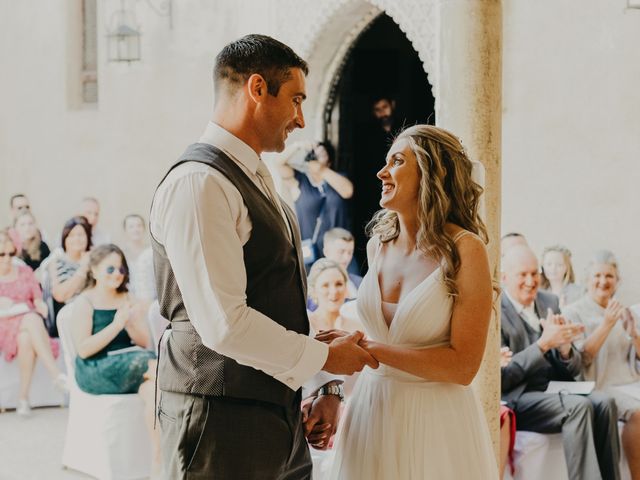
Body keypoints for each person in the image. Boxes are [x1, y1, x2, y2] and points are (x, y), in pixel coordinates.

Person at [149, 34, 377, 479]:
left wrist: (321, 384)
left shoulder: (255, 175)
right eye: (294, 100)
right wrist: (325, 359)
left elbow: (276, 297)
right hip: (217, 419)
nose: (300, 119)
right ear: (257, 89)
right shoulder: (200, 183)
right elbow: (224, 324)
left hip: (277, 415)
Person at [319, 124, 498, 478]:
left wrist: (367, 348)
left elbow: (463, 367)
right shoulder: (378, 244)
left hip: (434, 419)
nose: (381, 172)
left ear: (434, 173)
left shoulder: (465, 250)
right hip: (371, 410)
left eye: (397, 161)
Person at [501, 245, 620, 480]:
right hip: (520, 396)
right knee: (578, 407)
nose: (530, 281)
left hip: (556, 389)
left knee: (606, 403)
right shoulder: (496, 311)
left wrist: (565, 349)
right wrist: (543, 344)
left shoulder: (549, 301)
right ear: (505, 278)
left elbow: (573, 368)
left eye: (535, 273)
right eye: (522, 275)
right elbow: (503, 378)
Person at [69, 244, 159, 469]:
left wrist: (129, 324)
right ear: (94, 270)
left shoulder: (127, 296)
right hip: (96, 367)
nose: (117, 275)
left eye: (121, 269)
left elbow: (143, 342)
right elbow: (84, 349)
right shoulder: (85, 301)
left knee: (154, 391)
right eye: (110, 269)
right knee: (156, 366)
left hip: (130, 362)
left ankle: (157, 463)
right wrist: (116, 324)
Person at [563, 250, 640, 478]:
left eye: (609, 276)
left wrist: (635, 336)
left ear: (617, 281)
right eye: (597, 276)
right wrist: (606, 324)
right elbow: (581, 358)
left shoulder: (625, 312)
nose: (603, 281)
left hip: (630, 383)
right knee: (639, 415)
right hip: (599, 386)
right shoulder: (572, 311)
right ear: (587, 280)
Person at [0, 230, 66, 416]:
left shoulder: (23, 270)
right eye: (1, 254)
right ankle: (56, 375)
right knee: (31, 319)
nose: (6, 259)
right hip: (4, 324)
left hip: (27, 321)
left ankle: (23, 399)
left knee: (26, 338)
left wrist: (40, 305)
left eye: (11, 253)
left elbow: (36, 298)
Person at [275, 140, 353, 266]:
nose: (316, 156)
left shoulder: (338, 178)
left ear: (330, 161)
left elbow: (348, 191)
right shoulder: (300, 182)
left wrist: (321, 170)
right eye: (314, 153)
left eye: (322, 154)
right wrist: (298, 145)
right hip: (312, 254)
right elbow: (279, 163)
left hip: (340, 254)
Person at [351, 94, 403, 270]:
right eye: (377, 110)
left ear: (392, 105)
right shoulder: (369, 135)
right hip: (375, 191)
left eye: (384, 108)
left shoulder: (403, 130)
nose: (382, 113)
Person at [48, 216, 92, 335]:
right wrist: (83, 269)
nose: (77, 239)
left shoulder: (94, 257)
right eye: (71, 235)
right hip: (73, 313)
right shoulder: (56, 262)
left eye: (81, 235)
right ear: (64, 239)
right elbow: (60, 294)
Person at [307, 259, 361, 334]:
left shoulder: (358, 327)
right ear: (314, 291)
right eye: (325, 285)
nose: (334, 291)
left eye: (339, 284)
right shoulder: (306, 326)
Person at [322, 228, 362, 299]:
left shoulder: (360, 282)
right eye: (341, 252)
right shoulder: (312, 287)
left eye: (350, 252)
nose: (346, 258)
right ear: (326, 251)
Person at [121, 214, 152, 300]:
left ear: (144, 228)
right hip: (128, 299)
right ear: (125, 230)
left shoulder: (151, 252)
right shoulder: (121, 254)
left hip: (151, 299)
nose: (136, 229)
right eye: (131, 226)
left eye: (139, 225)